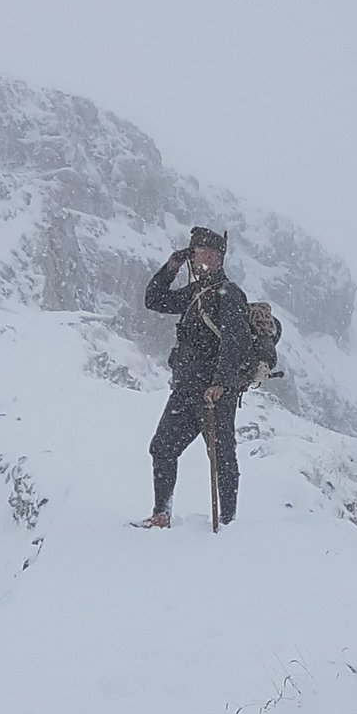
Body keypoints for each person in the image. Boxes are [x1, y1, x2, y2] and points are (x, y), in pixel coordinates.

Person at [139, 226, 251, 528]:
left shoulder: (229, 295)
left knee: (222, 459)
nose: (202, 259)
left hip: (213, 394)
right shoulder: (195, 293)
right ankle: (161, 514)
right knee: (162, 448)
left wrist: (220, 384)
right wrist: (171, 267)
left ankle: (227, 524)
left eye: (209, 254)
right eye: (198, 253)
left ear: (219, 258)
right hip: (186, 390)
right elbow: (154, 300)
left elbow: (234, 343)